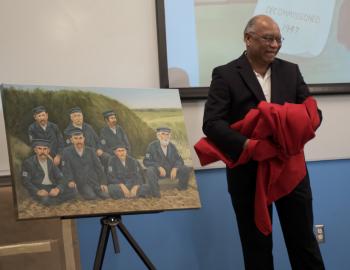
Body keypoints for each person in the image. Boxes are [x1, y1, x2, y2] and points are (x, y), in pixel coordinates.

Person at [202, 15, 325, 270]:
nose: (275, 45)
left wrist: (295, 123)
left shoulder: (290, 71)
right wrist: (247, 145)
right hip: (248, 174)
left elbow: (314, 114)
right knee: (256, 248)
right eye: (268, 38)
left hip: (290, 170)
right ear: (248, 39)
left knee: (304, 243)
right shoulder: (225, 74)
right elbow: (212, 123)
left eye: (279, 39)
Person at [21, 139, 76, 205]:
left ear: (48, 151)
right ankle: (51, 200)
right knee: (45, 200)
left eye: (45, 149)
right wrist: (37, 191)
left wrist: (58, 189)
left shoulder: (50, 162)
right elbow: (25, 181)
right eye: (39, 149)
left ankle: (52, 199)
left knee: (73, 191)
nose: (42, 151)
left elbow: (61, 178)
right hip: (39, 188)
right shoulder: (28, 163)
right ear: (35, 150)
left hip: (51, 186)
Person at [61, 127, 109, 200]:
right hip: (81, 182)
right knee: (92, 197)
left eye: (80, 138)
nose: (78, 141)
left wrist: (103, 183)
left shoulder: (90, 151)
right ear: (71, 140)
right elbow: (66, 169)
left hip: (93, 181)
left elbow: (98, 167)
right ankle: (81, 192)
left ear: (84, 139)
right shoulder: (66, 152)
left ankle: (94, 191)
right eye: (76, 138)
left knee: (105, 196)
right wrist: (70, 181)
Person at [143, 127, 191, 191]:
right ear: (158, 136)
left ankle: (181, 188)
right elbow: (146, 161)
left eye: (167, 134)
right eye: (163, 134)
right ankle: (154, 191)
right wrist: (158, 167)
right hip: (159, 173)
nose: (166, 136)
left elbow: (179, 160)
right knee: (150, 170)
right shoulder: (151, 146)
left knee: (185, 168)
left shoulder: (172, 146)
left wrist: (175, 168)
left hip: (171, 172)